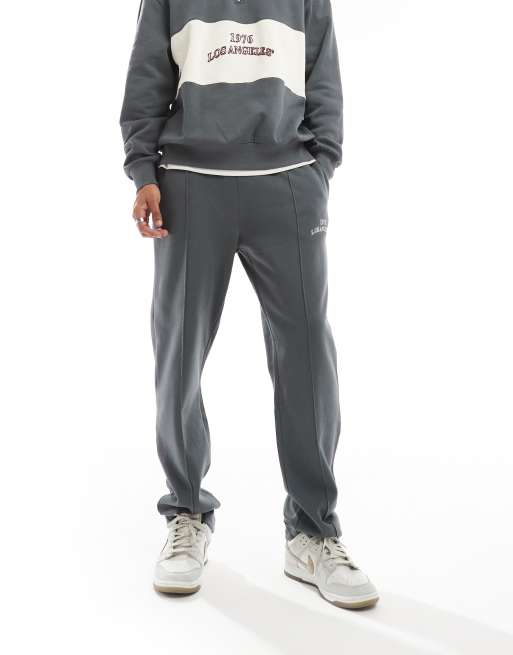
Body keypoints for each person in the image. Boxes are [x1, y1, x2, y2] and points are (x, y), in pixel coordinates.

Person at [120, 0, 378, 609]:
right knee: (179, 352)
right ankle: (187, 514)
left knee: (308, 353)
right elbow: (147, 79)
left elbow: (323, 78)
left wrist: (320, 168)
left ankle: (312, 532)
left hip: (287, 183)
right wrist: (143, 172)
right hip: (189, 183)